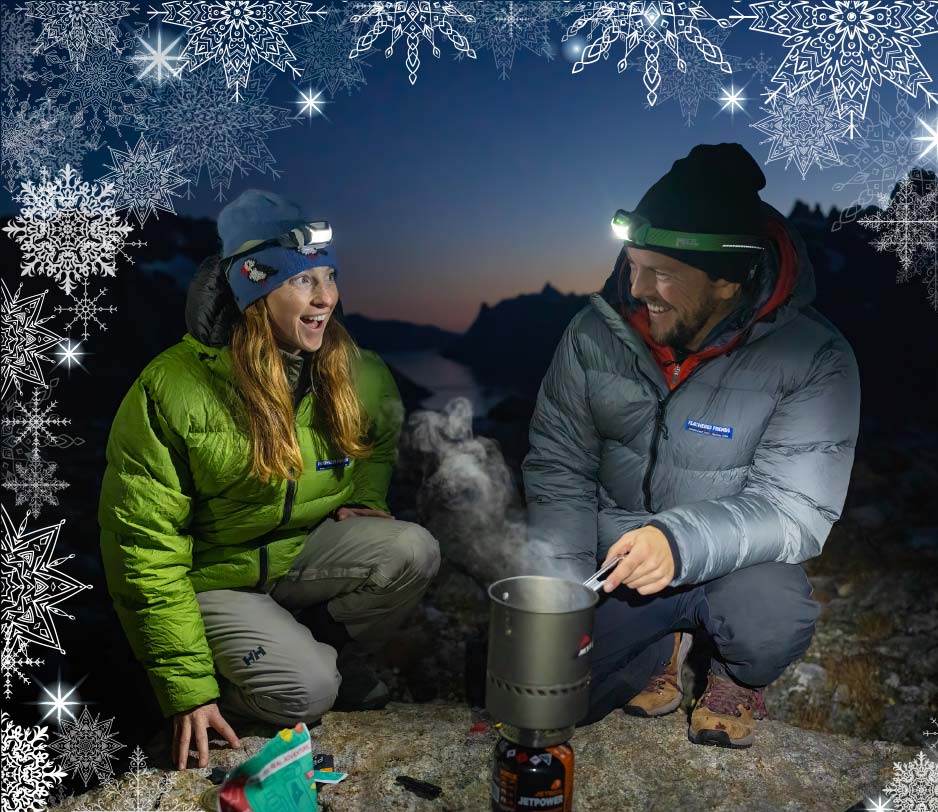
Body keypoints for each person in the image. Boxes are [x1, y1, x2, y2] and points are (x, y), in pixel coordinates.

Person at [522, 143, 860, 749]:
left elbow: (793, 511)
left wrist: (676, 544)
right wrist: (566, 588)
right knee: (544, 686)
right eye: (632, 263)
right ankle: (658, 644)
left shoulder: (814, 358)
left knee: (768, 620)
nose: (638, 287)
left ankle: (733, 674)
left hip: (734, 564)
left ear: (728, 279)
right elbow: (559, 465)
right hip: (616, 557)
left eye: (663, 273)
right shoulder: (593, 335)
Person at [99, 189, 440, 770]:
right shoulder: (173, 388)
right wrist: (188, 689)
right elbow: (143, 548)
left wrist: (363, 496)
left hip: (296, 554)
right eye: (304, 282)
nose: (328, 298)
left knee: (412, 549)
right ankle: (243, 682)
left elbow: (381, 423)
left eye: (329, 276)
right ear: (254, 291)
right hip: (212, 578)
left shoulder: (349, 367)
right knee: (308, 692)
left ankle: (316, 646)